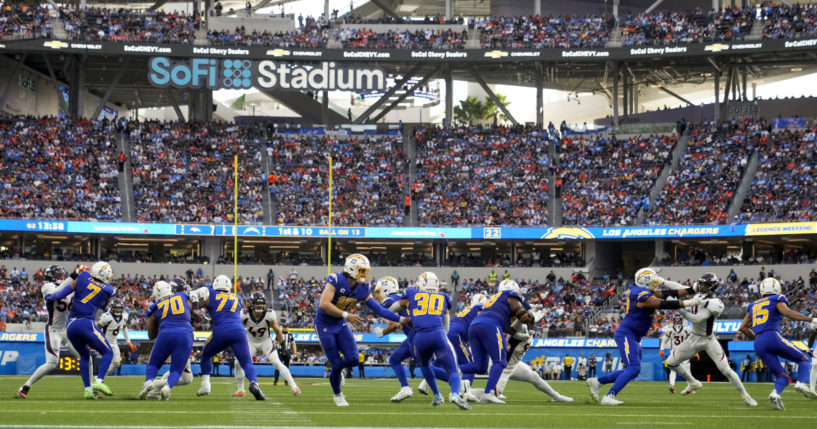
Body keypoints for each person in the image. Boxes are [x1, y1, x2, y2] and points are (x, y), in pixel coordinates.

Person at [587, 268, 702, 405]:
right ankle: (609, 396)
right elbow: (662, 303)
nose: (656, 283)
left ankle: (598, 382)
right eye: (653, 280)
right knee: (633, 368)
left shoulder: (646, 291)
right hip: (626, 334)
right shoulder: (640, 294)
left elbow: (669, 293)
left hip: (634, 336)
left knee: (633, 370)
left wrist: (692, 289)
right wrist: (688, 303)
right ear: (646, 281)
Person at [315, 254, 407, 406]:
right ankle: (338, 394)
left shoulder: (363, 287)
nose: (365, 274)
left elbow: (378, 309)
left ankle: (336, 371)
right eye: (362, 271)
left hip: (339, 323)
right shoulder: (336, 279)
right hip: (324, 324)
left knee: (353, 359)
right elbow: (324, 304)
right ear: (351, 269)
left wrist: (401, 319)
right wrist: (347, 315)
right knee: (336, 364)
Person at [667, 273, 756, 406]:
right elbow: (678, 286)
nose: (702, 286)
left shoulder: (716, 303)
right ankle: (693, 382)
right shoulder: (698, 295)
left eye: (705, 284)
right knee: (671, 362)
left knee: (726, 370)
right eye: (701, 283)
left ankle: (746, 395)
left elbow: (695, 319)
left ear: (712, 287)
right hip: (693, 337)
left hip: (709, 340)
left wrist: (677, 306)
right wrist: (662, 283)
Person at [388, 272, 470, 410]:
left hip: (419, 338)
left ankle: (437, 395)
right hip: (438, 334)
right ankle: (455, 394)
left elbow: (391, 310)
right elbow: (446, 326)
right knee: (452, 370)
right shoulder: (443, 297)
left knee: (425, 365)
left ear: (420, 284)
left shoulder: (412, 293)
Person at [738, 277, 817, 410]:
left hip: (758, 342)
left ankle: (776, 394)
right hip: (771, 335)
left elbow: (742, 328)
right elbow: (788, 313)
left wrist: (757, 338)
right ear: (776, 288)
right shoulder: (777, 299)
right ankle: (801, 383)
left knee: (783, 376)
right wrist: (811, 319)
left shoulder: (753, 305)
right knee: (803, 360)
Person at [45, 262, 117, 399]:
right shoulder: (109, 289)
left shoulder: (83, 276)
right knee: (108, 352)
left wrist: (52, 297)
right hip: (86, 323)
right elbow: (103, 303)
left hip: (71, 325)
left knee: (84, 356)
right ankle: (99, 381)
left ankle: (88, 390)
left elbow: (64, 291)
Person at [459, 279, 534, 404]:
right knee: (500, 361)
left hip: (475, 325)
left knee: (480, 366)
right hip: (490, 325)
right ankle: (488, 393)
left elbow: (508, 329)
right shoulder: (511, 295)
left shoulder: (493, 299)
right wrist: (530, 318)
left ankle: (454, 369)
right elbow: (521, 313)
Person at [192, 275, 266, 400]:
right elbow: (226, 312)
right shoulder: (238, 298)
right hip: (239, 331)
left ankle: (205, 385)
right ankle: (254, 383)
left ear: (215, 284)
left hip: (222, 331)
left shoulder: (210, 292)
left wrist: (196, 311)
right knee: (247, 362)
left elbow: (194, 294)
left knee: (206, 354)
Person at [18, 265, 82, 399]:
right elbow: (55, 295)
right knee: (52, 363)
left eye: (62, 274)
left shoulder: (69, 287)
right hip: (54, 330)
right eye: (59, 274)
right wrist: (73, 276)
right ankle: (26, 386)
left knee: (86, 358)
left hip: (68, 330)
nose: (61, 276)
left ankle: (91, 388)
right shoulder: (47, 286)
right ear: (52, 276)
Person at [232, 292, 300, 397]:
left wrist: (282, 346)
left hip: (265, 342)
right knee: (237, 363)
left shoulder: (269, 314)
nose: (260, 305)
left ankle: (294, 386)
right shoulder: (243, 314)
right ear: (251, 304)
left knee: (277, 363)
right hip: (251, 342)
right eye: (257, 303)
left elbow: (277, 330)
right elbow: (236, 328)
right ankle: (241, 390)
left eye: (262, 303)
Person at [137, 281, 194, 400]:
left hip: (165, 334)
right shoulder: (182, 296)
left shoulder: (155, 306)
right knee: (176, 370)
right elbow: (192, 305)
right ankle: (167, 387)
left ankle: (148, 383)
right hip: (185, 334)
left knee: (153, 364)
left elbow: (151, 334)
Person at [496, 319, 572, 403]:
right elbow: (513, 331)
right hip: (502, 365)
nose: (533, 325)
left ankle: (556, 396)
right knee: (494, 394)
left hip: (514, 364)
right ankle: (480, 394)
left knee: (534, 376)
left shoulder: (528, 333)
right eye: (530, 323)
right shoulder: (521, 328)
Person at [97, 299, 137, 375]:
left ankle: (100, 378)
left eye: (119, 308)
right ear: (112, 308)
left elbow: (124, 328)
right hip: (104, 342)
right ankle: (100, 378)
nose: (118, 309)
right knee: (107, 360)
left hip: (114, 342)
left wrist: (129, 343)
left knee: (117, 363)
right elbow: (97, 329)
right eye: (116, 307)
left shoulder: (124, 316)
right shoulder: (106, 317)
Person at [659, 314, 692, 394]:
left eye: (678, 320)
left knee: (673, 370)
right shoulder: (687, 329)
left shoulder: (669, 330)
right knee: (687, 370)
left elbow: (664, 341)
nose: (677, 322)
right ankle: (690, 387)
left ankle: (672, 385)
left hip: (674, 352)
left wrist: (662, 350)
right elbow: (692, 340)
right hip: (684, 351)